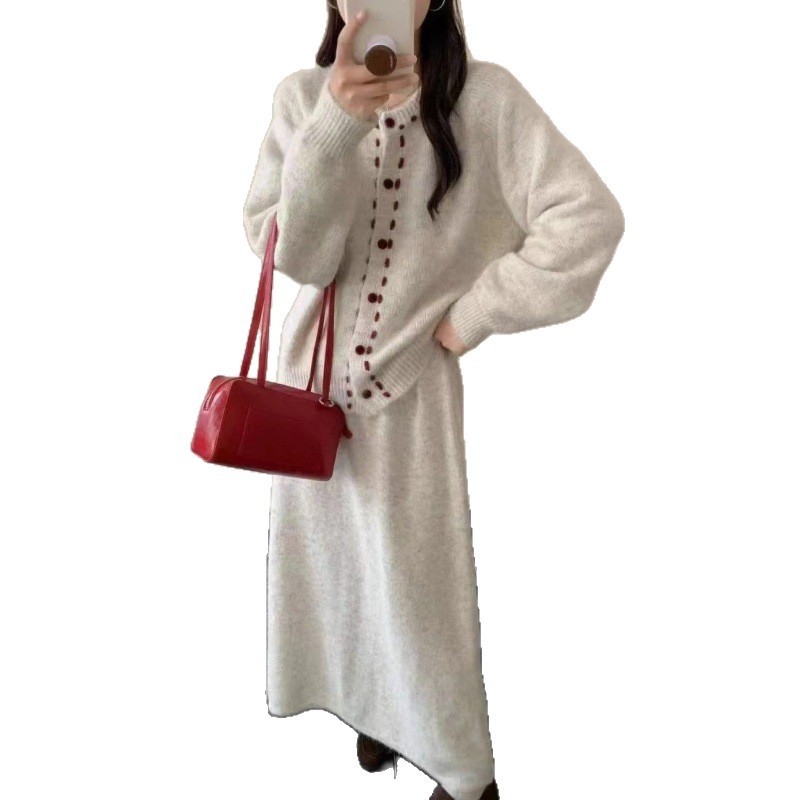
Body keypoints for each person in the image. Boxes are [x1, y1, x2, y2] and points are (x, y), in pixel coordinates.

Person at [242, 2, 625, 799]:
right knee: (336, 578)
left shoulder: (487, 101)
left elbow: (587, 219)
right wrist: (332, 129)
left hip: (411, 396)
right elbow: (299, 259)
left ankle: (465, 774)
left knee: (420, 595)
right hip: (307, 391)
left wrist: (473, 314)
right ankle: (371, 710)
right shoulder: (299, 99)